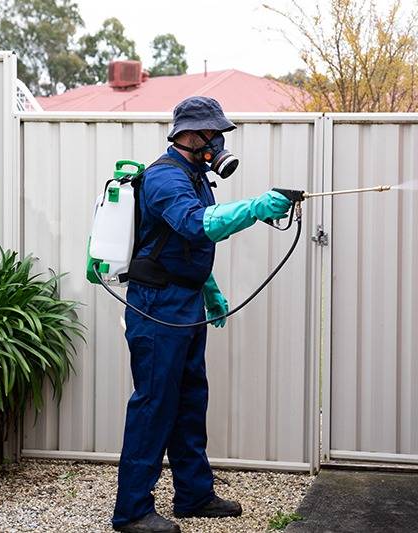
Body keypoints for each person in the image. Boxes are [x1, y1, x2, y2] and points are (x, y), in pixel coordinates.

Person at [112, 96, 292, 533]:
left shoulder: (195, 176)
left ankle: (193, 494)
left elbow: (182, 245)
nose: (218, 143)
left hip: (184, 300)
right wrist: (257, 207)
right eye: (213, 135)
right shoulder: (164, 179)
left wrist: (209, 290)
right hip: (157, 307)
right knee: (154, 403)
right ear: (190, 136)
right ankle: (132, 511)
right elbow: (197, 224)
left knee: (191, 400)